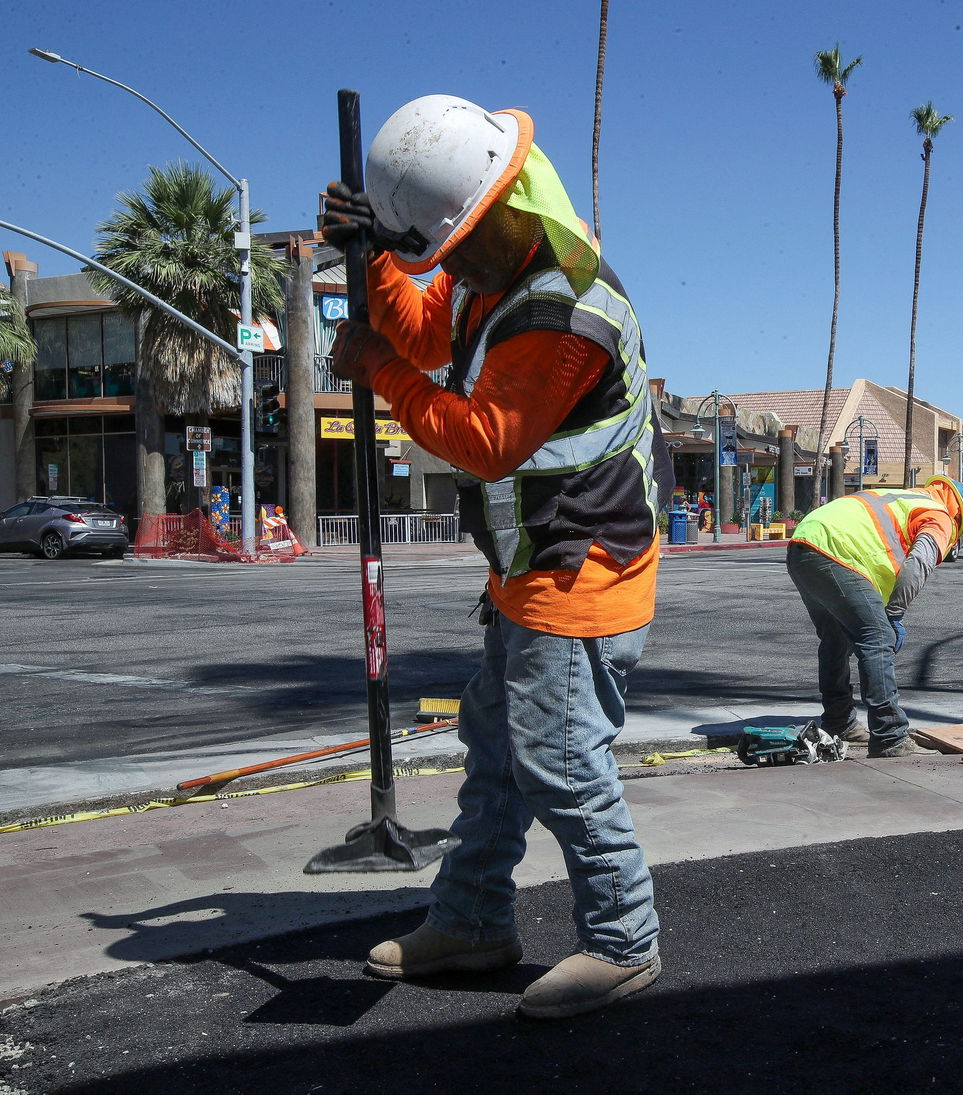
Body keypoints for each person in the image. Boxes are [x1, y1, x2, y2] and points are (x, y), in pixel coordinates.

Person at [321, 94, 671, 1020]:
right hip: (531, 569)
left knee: (560, 762)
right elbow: (422, 330)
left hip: (583, 570)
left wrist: (379, 373)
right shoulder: (497, 265)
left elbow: (485, 441)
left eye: (443, 246)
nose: (447, 266)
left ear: (487, 212)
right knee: (495, 754)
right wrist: (383, 258)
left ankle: (624, 939)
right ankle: (474, 922)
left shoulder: (564, 306)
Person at [786, 476, 963, 758]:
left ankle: (840, 723)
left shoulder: (898, 497)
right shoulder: (940, 514)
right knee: (877, 637)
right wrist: (894, 615)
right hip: (837, 554)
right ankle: (890, 736)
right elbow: (918, 565)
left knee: (835, 641)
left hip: (803, 546)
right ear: (960, 514)